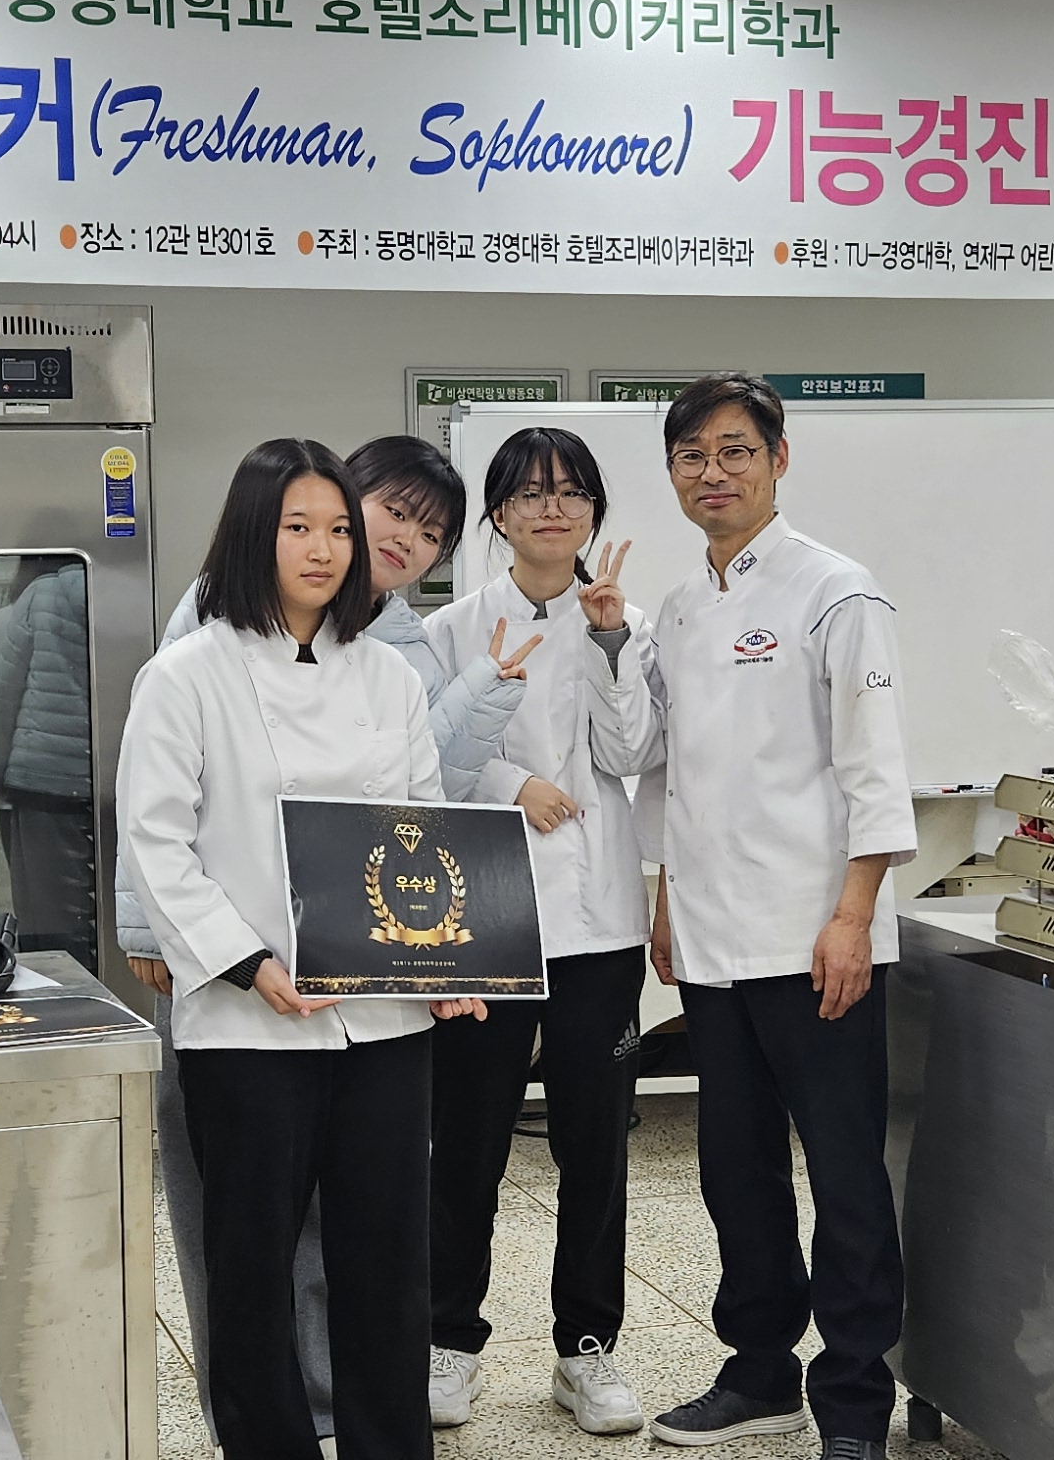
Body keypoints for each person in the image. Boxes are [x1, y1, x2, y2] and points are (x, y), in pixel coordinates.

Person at [121, 433, 536, 1438]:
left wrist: (444, 962)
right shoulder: (187, 674)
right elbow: (155, 838)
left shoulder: (386, 677)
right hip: (250, 1022)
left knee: (386, 1263)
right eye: (298, 527)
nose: (323, 549)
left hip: (385, 1025)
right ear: (252, 535)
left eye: (338, 530)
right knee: (253, 1262)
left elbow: (420, 827)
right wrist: (246, 963)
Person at [634, 375, 915, 1460]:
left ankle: (855, 1403)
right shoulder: (678, 607)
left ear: (778, 459)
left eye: (735, 450)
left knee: (843, 1177)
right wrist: (666, 895)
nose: (713, 472)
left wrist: (853, 918)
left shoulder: (836, 592)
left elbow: (873, 769)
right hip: (711, 940)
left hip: (814, 940)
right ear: (672, 473)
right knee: (734, 1169)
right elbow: (674, 772)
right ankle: (760, 1372)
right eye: (692, 456)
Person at [417, 428, 658, 1435]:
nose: (552, 509)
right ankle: (447, 1340)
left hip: (597, 918)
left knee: (593, 1144)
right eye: (529, 493)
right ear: (499, 515)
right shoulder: (448, 628)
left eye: (571, 493)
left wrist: (609, 643)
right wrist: (515, 783)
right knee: (467, 1141)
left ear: (594, 511)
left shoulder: (627, 620)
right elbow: (425, 757)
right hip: (482, 913)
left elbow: (632, 751)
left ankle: (587, 1347)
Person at [0, 559, 98, 968]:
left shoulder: (39, 597)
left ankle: (62, 992)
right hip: (109, 780)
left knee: (46, 918)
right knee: (103, 911)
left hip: (41, 781)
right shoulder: (120, 593)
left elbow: (6, 694)